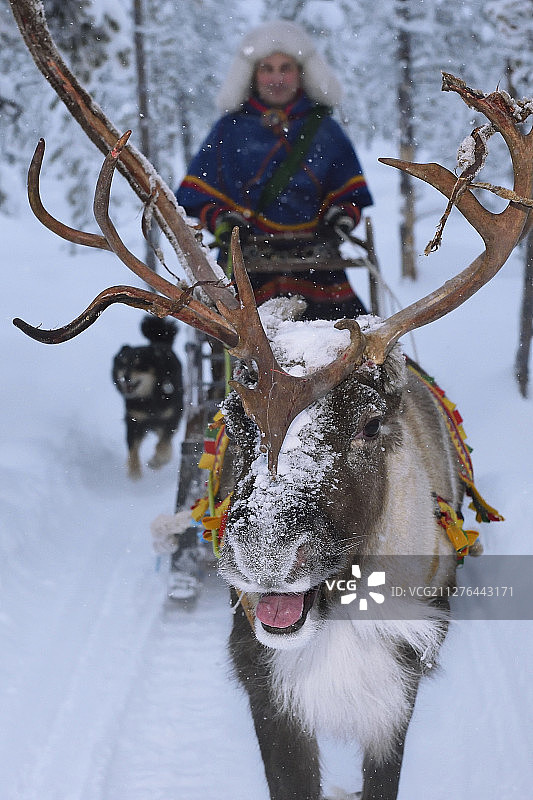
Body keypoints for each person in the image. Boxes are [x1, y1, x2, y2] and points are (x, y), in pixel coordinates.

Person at [176, 19, 374, 320]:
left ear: (301, 73)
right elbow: (199, 195)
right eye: (267, 69)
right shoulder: (229, 130)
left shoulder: (324, 129)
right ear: (253, 76)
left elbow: (350, 194)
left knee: (346, 346)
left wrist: (341, 215)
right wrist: (223, 220)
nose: (276, 78)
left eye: (285, 68)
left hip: (319, 266)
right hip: (247, 266)